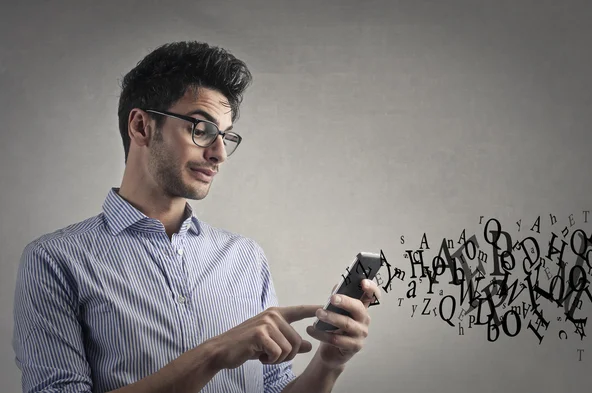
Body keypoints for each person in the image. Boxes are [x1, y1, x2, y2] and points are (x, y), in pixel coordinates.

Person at [12, 41, 381, 393]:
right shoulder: (55, 260)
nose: (219, 153)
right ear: (141, 126)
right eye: (201, 130)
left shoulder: (245, 257)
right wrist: (214, 353)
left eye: (226, 136)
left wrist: (330, 362)